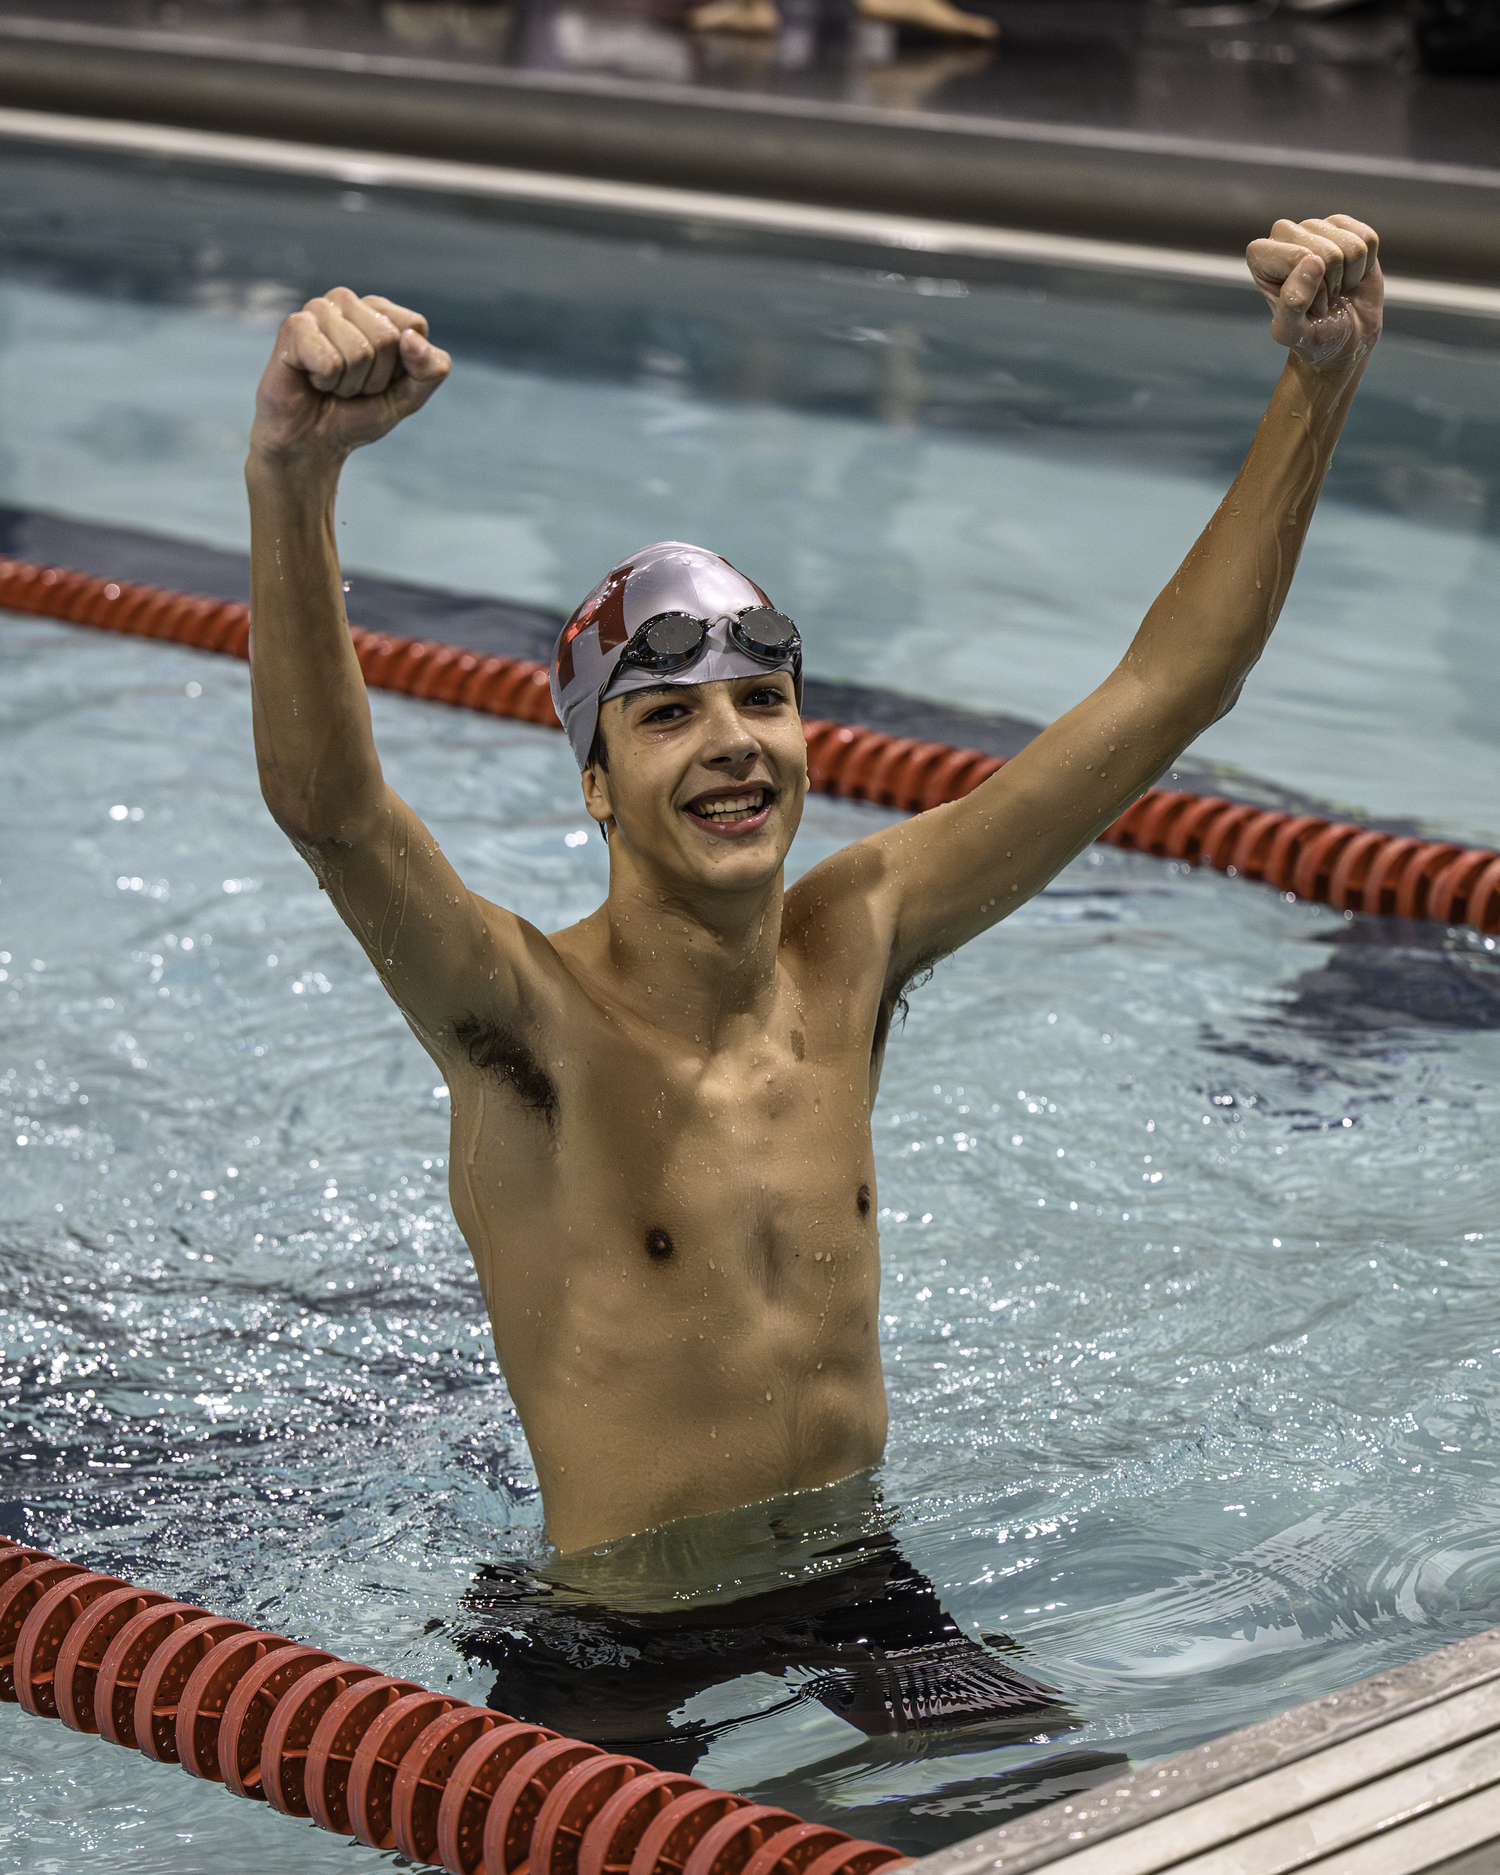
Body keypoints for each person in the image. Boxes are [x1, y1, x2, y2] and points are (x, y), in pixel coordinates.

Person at [246, 213, 1382, 1573]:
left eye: (763, 701)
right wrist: (295, 480)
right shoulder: (531, 1025)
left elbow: (1165, 692)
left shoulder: (854, 944)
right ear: (595, 787)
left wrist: (1319, 384)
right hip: (621, 1640)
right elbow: (336, 819)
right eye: (665, 715)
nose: (731, 740)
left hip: (860, 1585)